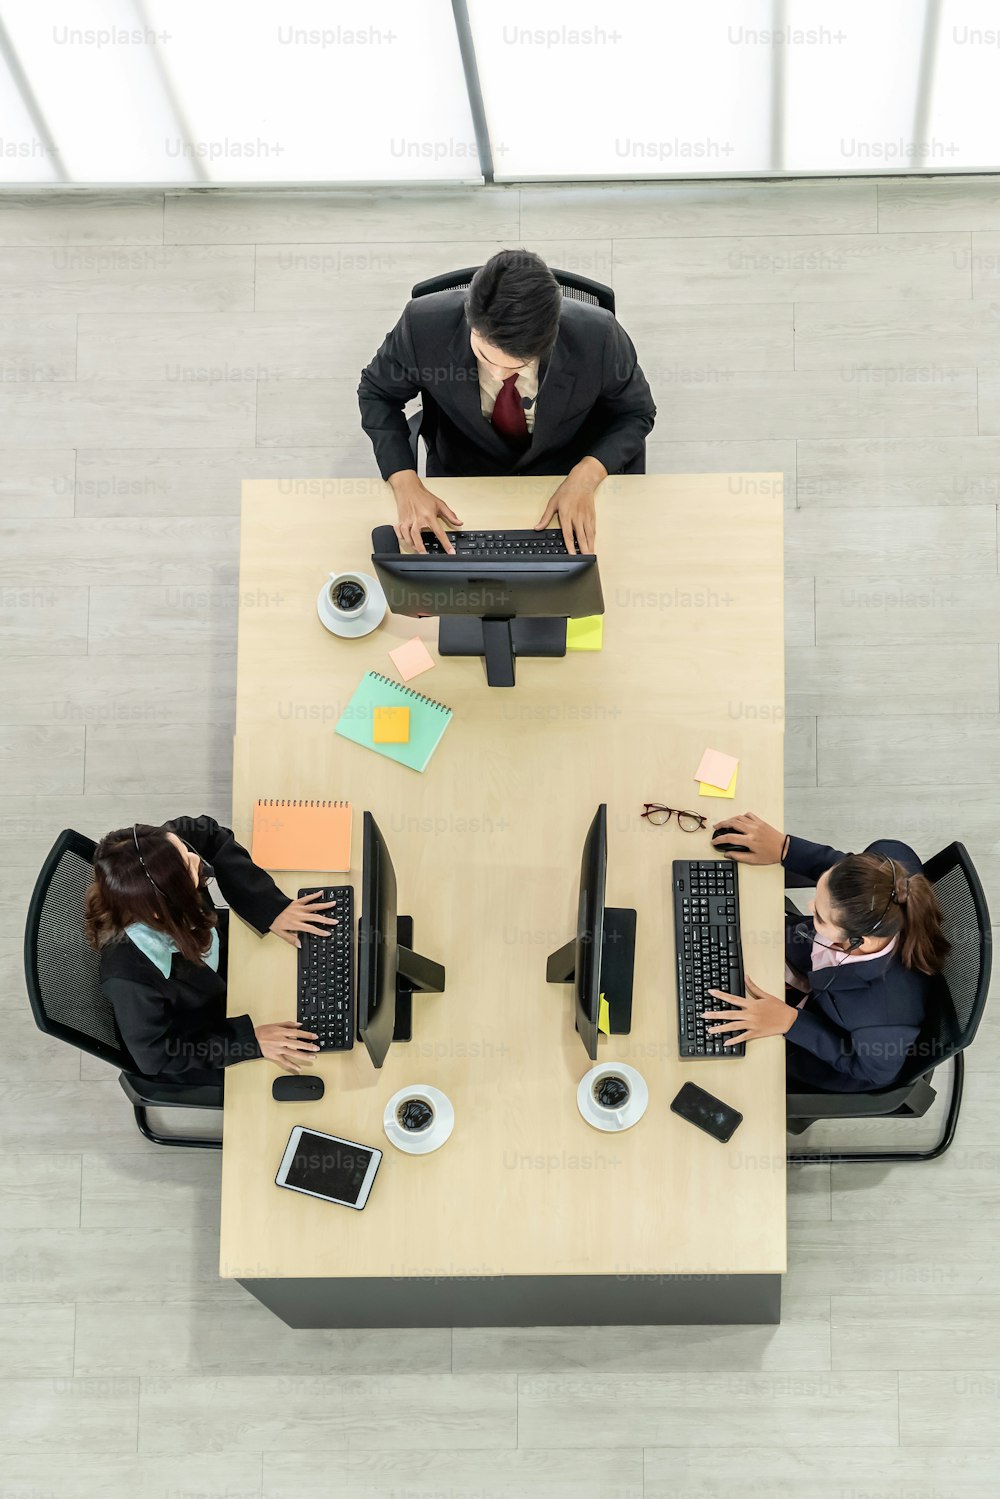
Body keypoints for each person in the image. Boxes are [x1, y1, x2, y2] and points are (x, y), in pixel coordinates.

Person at [358, 248, 655, 555]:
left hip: (561, 481)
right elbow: (377, 393)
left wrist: (585, 476)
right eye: (484, 355)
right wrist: (405, 481)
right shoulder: (423, 325)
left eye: (516, 366)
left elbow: (636, 413)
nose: (498, 374)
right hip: (461, 482)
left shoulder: (599, 336)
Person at [702, 812, 950, 1092]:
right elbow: (848, 875)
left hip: (821, 1039)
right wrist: (785, 848)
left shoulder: (883, 1017)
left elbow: (875, 1074)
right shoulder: (890, 874)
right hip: (813, 973)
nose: (809, 907)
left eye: (820, 917)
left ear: (860, 941)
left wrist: (791, 1022)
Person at [84, 815, 336, 1084]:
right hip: (208, 1031)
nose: (197, 860)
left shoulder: (164, 852)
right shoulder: (131, 978)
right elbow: (155, 1056)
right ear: (164, 906)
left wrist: (269, 908)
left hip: (224, 964)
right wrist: (249, 1042)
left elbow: (210, 835)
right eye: (189, 869)